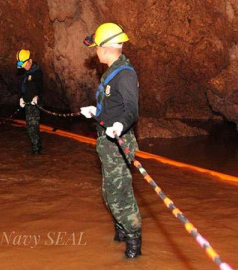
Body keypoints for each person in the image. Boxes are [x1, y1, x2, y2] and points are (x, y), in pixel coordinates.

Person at [80, 23, 142, 258]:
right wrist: (95, 112)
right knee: (109, 192)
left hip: (119, 143)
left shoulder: (124, 74)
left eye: (97, 47)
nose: (95, 51)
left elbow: (131, 110)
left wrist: (119, 125)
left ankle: (134, 243)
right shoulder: (112, 71)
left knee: (121, 195)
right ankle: (121, 232)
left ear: (105, 48)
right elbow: (111, 105)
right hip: (107, 144)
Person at [16, 49, 43, 155]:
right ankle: (36, 147)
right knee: (29, 127)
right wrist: (21, 98)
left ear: (30, 60)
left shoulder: (37, 72)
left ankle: (37, 151)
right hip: (27, 104)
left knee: (33, 127)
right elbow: (24, 88)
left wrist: (37, 97)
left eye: (25, 64)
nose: (24, 67)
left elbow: (41, 87)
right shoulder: (26, 73)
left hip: (35, 104)